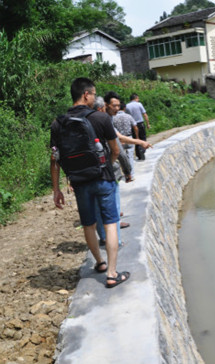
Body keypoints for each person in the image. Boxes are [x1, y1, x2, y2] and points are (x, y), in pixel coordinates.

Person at [50, 77, 130, 288]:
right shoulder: (101, 119)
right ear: (86, 94)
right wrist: (106, 166)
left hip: (78, 182)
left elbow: (55, 159)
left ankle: (100, 263)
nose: (95, 98)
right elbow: (115, 150)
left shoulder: (58, 124)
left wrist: (57, 189)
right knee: (111, 222)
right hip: (103, 178)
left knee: (88, 224)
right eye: (94, 94)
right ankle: (112, 274)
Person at [93, 96, 132, 246]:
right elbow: (118, 150)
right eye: (113, 106)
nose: (116, 108)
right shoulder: (104, 121)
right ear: (103, 107)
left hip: (89, 172)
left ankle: (103, 237)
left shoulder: (83, 121)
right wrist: (127, 170)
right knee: (112, 207)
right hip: (108, 171)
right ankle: (117, 241)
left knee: (97, 207)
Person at [113, 101, 138, 177]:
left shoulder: (113, 118)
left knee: (122, 156)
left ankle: (125, 172)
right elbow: (135, 127)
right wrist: (137, 138)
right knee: (130, 155)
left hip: (119, 140)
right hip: (129, 137)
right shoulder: (128, 116)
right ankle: (131, 173)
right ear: (124, 108)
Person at [126, 93, 150, 160]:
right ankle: (142, 152)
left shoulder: (127, 106)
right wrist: (148, 123)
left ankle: (138, 155)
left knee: (136, 139)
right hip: (140, 124)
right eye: (138, 98)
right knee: (143, 138)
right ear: (136, 98)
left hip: (132, 125)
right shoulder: (139, 104)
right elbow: (145, 114)